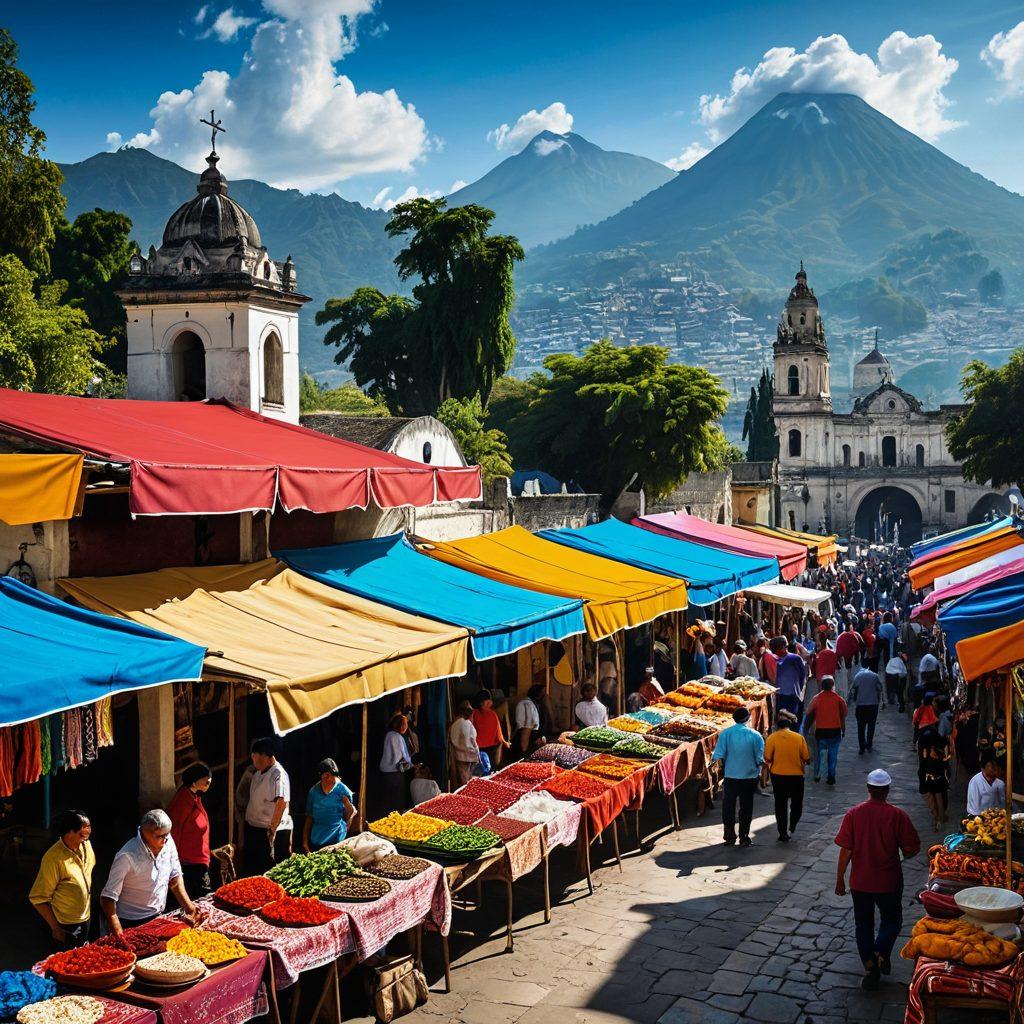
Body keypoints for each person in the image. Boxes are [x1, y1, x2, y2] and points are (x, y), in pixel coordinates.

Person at [835, 769, 921, 991]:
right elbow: (913, 846)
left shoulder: (854, 814)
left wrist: (840, 879)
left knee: (863, 924)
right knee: (892, 920)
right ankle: (882, 952)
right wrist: (902, 853)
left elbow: (846, 850)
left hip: (861, 881)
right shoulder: (897, 815)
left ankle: (870, 964)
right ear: (888, 790)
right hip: (888, 879)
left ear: (868, 789)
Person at [101, 810, 203, 935]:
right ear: (145, 834)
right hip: (131, 922)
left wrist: (189, 907)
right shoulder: (127, 856)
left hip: (157, 917)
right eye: (160, 836)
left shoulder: (167, 840)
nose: (165, 840)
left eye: (167, 834)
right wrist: (118, 931)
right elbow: (107, 898)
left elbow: (174, 877)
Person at [29, 810, 95, 948]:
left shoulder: (86, 845)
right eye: (81, 834)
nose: (86, 838)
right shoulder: (53, 859)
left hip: (86, 917)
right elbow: (38, 898)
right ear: (69, 832)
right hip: (66, 925)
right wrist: (56, 929)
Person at [711, 706, 766, 848]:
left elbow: (717, 755)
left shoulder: (725, 733)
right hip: (749, 777)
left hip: (731, 776)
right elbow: (760, 758)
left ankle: (729, 836)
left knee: (728, 806)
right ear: (748, 718)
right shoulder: (755, 735)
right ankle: (744, 836)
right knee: (746, 807)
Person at [245, 737, 293, 873]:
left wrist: (272, 829)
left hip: (270, 832)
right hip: (255, 830)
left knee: (270, 870)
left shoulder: (278, 774)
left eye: (254, 756)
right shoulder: (257, 774)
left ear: (265, 755)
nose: (253, 760)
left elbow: (281, 802)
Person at [167, 762, 213, 898]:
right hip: (188, 863)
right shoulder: (181, 803)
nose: (209, 780)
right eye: (205, 778)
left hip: (199, 858)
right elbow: (174, 832)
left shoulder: (194, 797)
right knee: (200, 898)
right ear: (194, 782)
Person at [763, 711, 810, 842]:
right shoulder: (799, 738)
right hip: (796, 776)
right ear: (789, 726)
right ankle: (793, 824)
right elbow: (806, 757)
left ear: (777, 727)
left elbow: (767, 757)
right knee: (796, 803)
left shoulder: (772, 738)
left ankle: (782, 832)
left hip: (778, 776)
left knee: (780, 805)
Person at [303, 758, 355, 852]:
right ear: (321, 776)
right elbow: (309, 817)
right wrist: (305, 842)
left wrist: (346, 829)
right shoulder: (313, 792)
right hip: (317, 841)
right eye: (326, 775)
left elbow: (351, 814)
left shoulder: (343, 790)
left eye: (332, 775)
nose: (330, 778)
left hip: (337, 841)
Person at [804, 676, 847, 785]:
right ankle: (831, 776)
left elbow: (808, 711)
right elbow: (844, 714)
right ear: (833, 686)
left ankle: (817, 774)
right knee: (833, 755)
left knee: (818, 754)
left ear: (821, 686)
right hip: (835, 731)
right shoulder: (839, 699)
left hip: (821, 732)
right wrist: (843, 729)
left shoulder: (817, 698)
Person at [379, 714, 413, 813]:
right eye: (405, 724)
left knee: (388, 798)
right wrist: (410, 764)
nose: (406, 726)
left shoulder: (389, 734)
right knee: (396, 800)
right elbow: (399, 757)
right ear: (400, 725)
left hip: (386, 771)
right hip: (394, 772)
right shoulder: (397, 737)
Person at [917, 727, 950, 830]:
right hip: (939, 775)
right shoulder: (940, 740)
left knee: (930, 796)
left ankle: (936, 816)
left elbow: (922, 759)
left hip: (927, 776)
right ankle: (941, 817)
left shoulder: (923, 739)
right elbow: (946, 757)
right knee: (939, 795)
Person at [471, 690, 509, 769]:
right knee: (489, 768)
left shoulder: (473, 713)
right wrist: (503, 742)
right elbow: (499, 734)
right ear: (486, 702)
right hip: (489, 748)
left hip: (478, 748)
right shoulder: (492, 714)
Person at [850, 665, 882, 755]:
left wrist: (853, 701)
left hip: (861, 705)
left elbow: (853, 689)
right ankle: (869, 745)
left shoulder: (857, 677)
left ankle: (861, 747)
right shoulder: (875, 676)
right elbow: (880, 688)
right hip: (873, 705)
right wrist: (880, 701)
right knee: (871, 726)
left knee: (861, 727)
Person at [449, 699, 480, 787]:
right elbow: (472, 740)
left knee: (462, 778)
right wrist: (477, 754)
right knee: (466, 780)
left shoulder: (454, 724)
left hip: (458, 755)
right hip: (468, 755)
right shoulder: (466, 723)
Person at [775, 641, 807, 725]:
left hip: (790, 695)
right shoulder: (775, 659)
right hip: (784, 694)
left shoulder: (795, 658)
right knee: (791, 719)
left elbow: (802, 676)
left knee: (790, 719)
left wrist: (799, 689)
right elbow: (803, 675)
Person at [514, 685, 547, 754]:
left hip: (532, 737)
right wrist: (524, 750)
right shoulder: (527, 704)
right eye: (542, 693)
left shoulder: (537, 704)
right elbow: (526, 730)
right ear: (536, 693)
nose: (544, 695)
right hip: (526, 738)